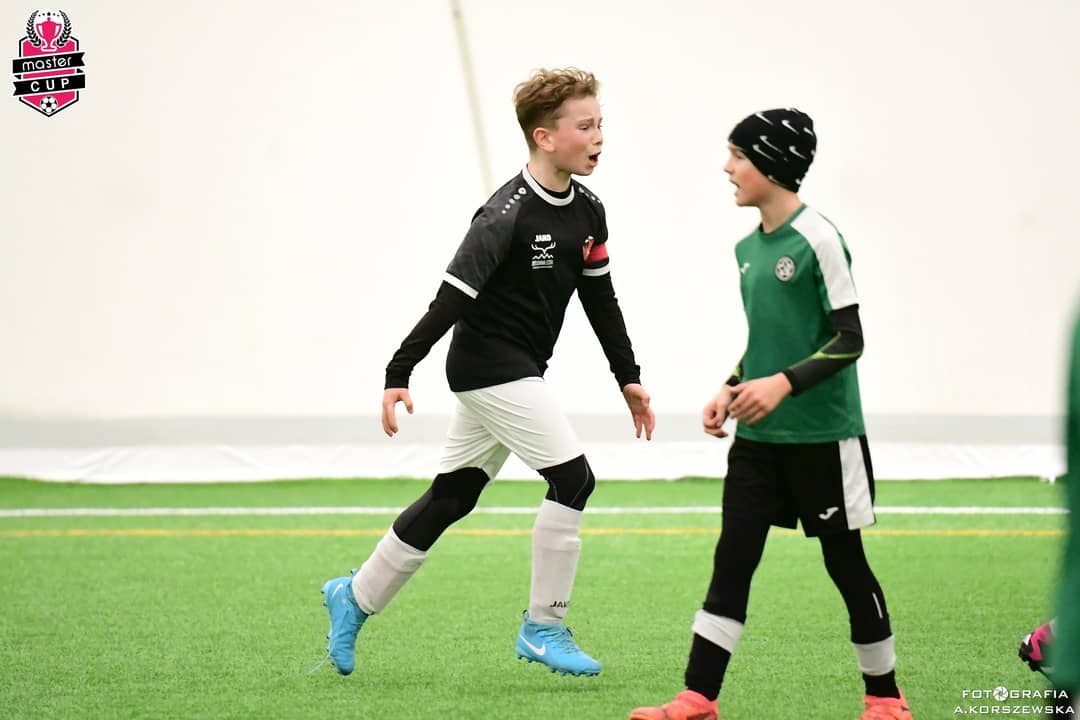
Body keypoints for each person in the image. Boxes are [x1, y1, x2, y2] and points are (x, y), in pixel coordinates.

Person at [317, 67, 655, 679]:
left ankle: (355, 595)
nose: (599, 137)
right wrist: (399, 370)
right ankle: (543, 627)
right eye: (585, 126)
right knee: (574, 479)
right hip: (487, 367)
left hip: (516, 369)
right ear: (544, 137)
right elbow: (450, 299)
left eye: (601, 124)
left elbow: (600, 298)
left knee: (454, 495)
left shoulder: (590, 211)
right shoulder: (504, 215)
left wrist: (627, 377)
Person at [629, 108, 912, 720]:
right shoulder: (746, 249)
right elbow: (770, 340)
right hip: (759, 440)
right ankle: (699, 697)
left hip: (825, 437)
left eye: (738, 156)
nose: (727, 167)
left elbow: (849, 338)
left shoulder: (820, 239)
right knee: (732, 558)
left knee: (845, 563)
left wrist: (783, 384)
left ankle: (886, 699)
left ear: (773, 164)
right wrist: (731, 386)